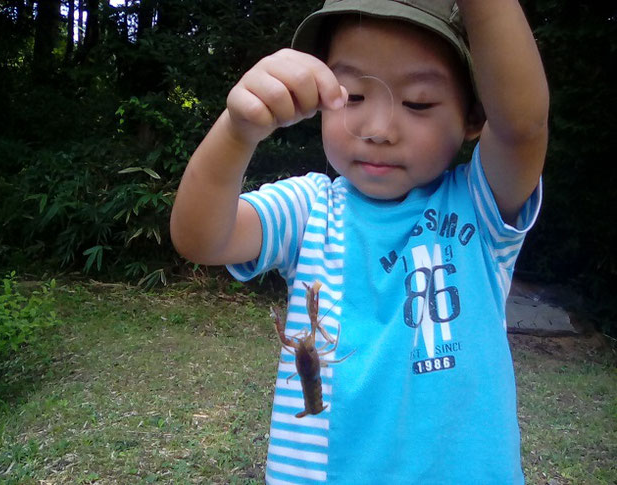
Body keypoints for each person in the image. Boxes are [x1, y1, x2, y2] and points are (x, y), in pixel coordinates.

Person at [170, 0, 549, 482]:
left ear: (474, 116)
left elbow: (522, 127)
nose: (378, 130)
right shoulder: (308, 208)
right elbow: (200, 238)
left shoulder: (480, 206)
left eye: (418, 103)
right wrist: (236, 130)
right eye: (351, 97)